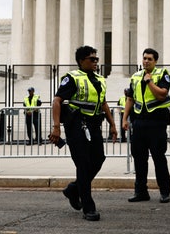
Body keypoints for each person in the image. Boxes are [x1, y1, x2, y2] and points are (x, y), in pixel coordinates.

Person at [51, 45, 118, 222]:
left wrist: (112, 124)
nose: (96, 62)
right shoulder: (72, 78)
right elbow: (57, 101)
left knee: (99, 159)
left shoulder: (100, 79)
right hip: (76, 126)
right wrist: (56, 127)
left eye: (97, 59)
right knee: (82, 163)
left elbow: (103, 103)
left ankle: (73, 189)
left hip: (94, 126)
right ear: (81, 61)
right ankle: (88, 207)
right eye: (92, 59)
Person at [122, 48, 170, 204]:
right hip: (139, 122)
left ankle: (164, 191)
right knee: (139, 159)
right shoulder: (136, 76)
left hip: (157, 122)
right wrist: (125, 119)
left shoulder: (162, 74)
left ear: (155, 61)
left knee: (159, 158)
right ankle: (140, 191)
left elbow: (161, 94)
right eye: (144, 58)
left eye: (149, 59)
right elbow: (130, 99)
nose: (146, 61)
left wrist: (150, 81)